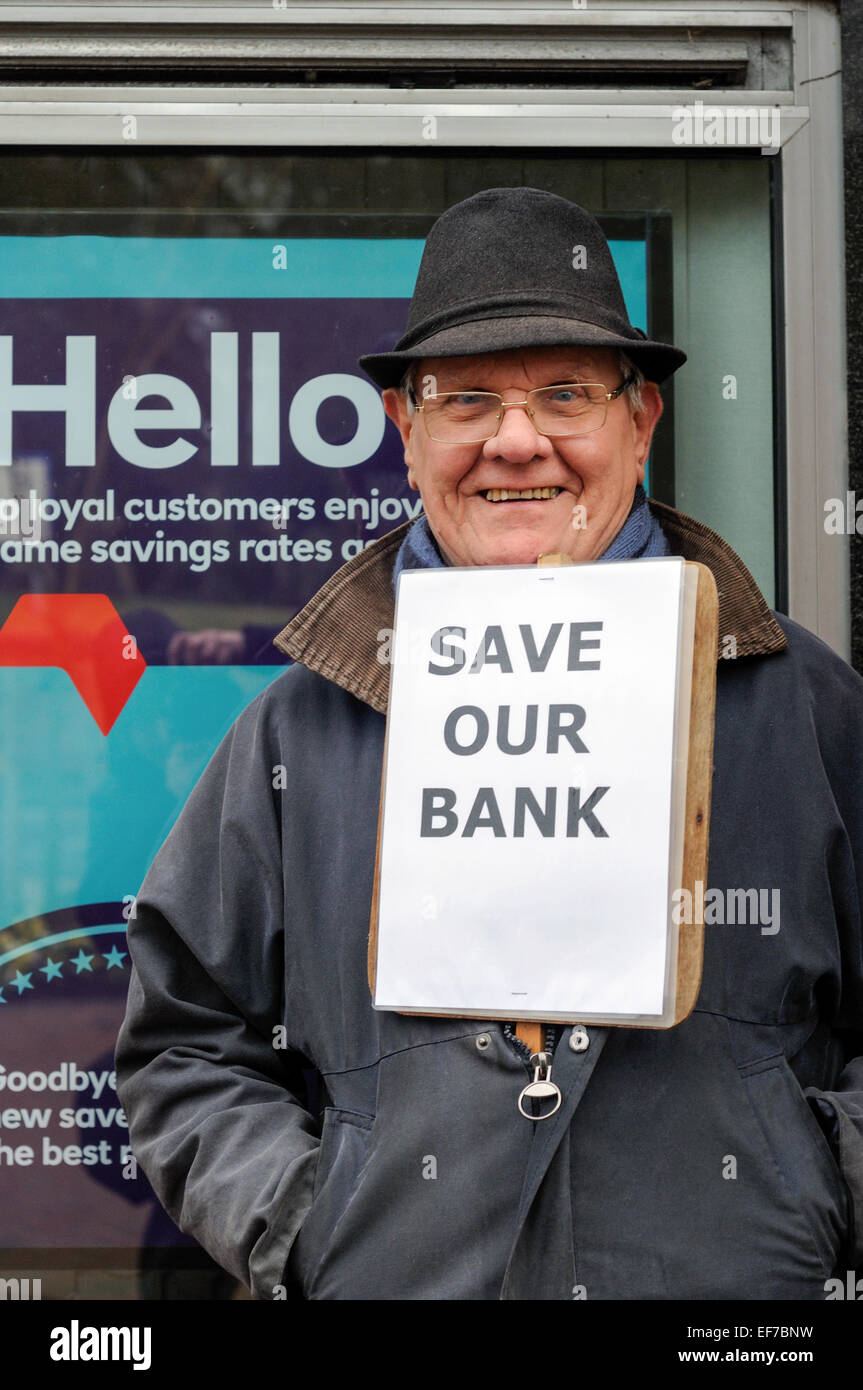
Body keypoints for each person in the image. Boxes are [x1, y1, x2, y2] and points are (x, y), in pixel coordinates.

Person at [115, 187, 863, 1301]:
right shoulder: (298, 729)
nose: (516, 442)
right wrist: (313, 1232)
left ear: (642, 419)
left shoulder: (799, 702)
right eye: (465, 399)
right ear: (405, 429)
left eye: (565, 391)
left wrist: (813, 1188)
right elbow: (182, 1043)